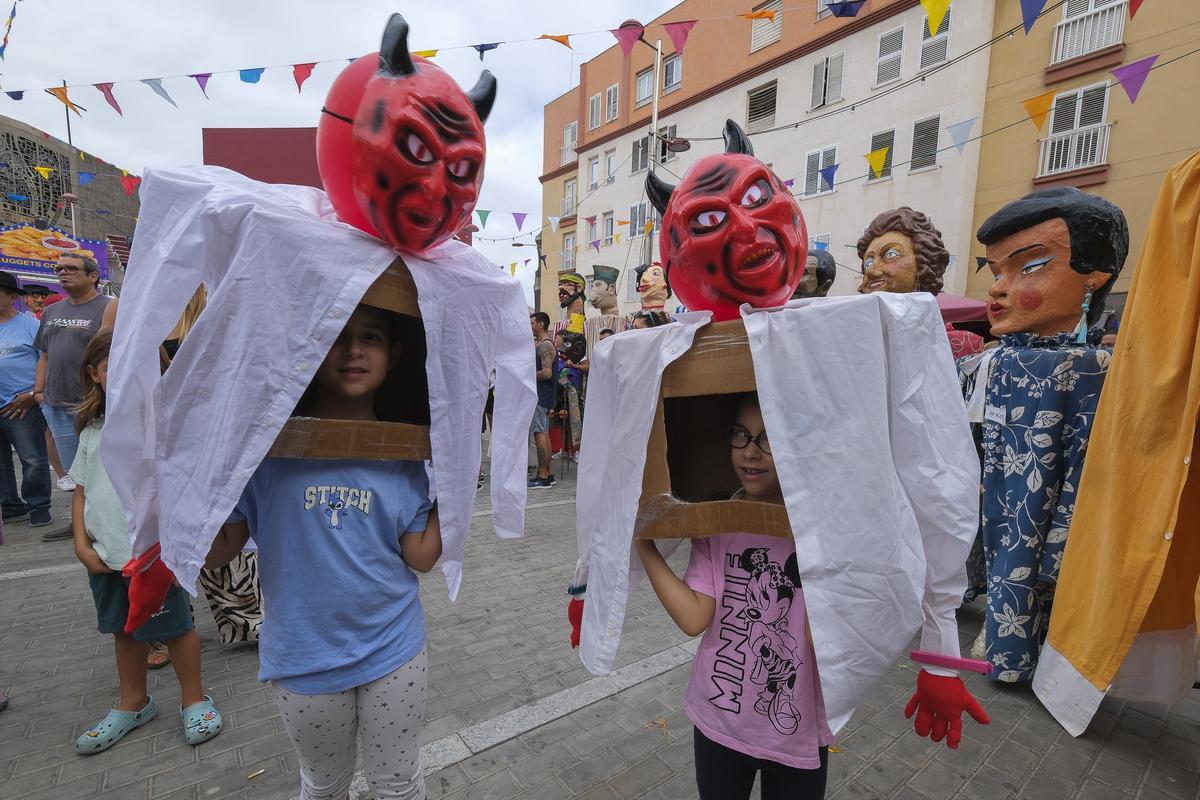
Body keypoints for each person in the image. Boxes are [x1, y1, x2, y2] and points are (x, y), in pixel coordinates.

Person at [206, 304, 441, 800]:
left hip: (394, 650)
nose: (354, 349)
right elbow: (215, 551)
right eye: (337, 335)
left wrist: (456, 490)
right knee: (324, 787)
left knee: (397, 785)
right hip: (303, 660)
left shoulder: (405, 455)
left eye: (371, 337)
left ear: (393, 355)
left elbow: (420, 555)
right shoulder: (265, 453)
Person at [635, 394, 833, 799]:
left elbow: (823, 639)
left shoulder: (820, 525)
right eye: (740, 436)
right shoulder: (717, 518)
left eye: (769, 438)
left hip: (794, 732)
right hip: (718, 724)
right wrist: (645, 548)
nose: (751, 452)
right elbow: (694, 617)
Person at [71, 329, 222, 755]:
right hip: (106, 556)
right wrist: (82, 543)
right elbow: (81, 489)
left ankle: (194, 697)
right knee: (123, 630)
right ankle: (133, 702)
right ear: (94, 374)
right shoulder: (92, 429)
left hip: (153, 555)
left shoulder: (165, 425)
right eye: (113, 367)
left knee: (175, 628)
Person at [32, 253, 111, 541]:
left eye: (71, 268)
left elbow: (105, 351)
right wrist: (38, 392)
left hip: (89, 401)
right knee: (74, 469)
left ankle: (103, 520)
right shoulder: (51, 313)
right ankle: (81, 522)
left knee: (101, 464)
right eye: (59, 269)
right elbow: (44, 355)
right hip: (55, 399)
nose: (63, 272)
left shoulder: (109, 306)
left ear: (93, 276)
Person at [0, 271, 52, 528]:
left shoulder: (29, 324)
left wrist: (33, 394)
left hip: (21, 404)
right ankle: (10, 504)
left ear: (12, 297)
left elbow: (47, 360)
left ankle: (38, 505)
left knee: (31, 458)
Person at [529, 311, 556, 489]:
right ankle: (546, 473)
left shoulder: (545, 345)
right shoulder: (540, 344)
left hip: (541, 395)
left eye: (532, 323)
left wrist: (525, 375)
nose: (529, 326)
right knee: (543, 433)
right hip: (541, 395)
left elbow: (547, 373)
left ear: (540, 324)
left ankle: (543, 474)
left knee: (539, 434)